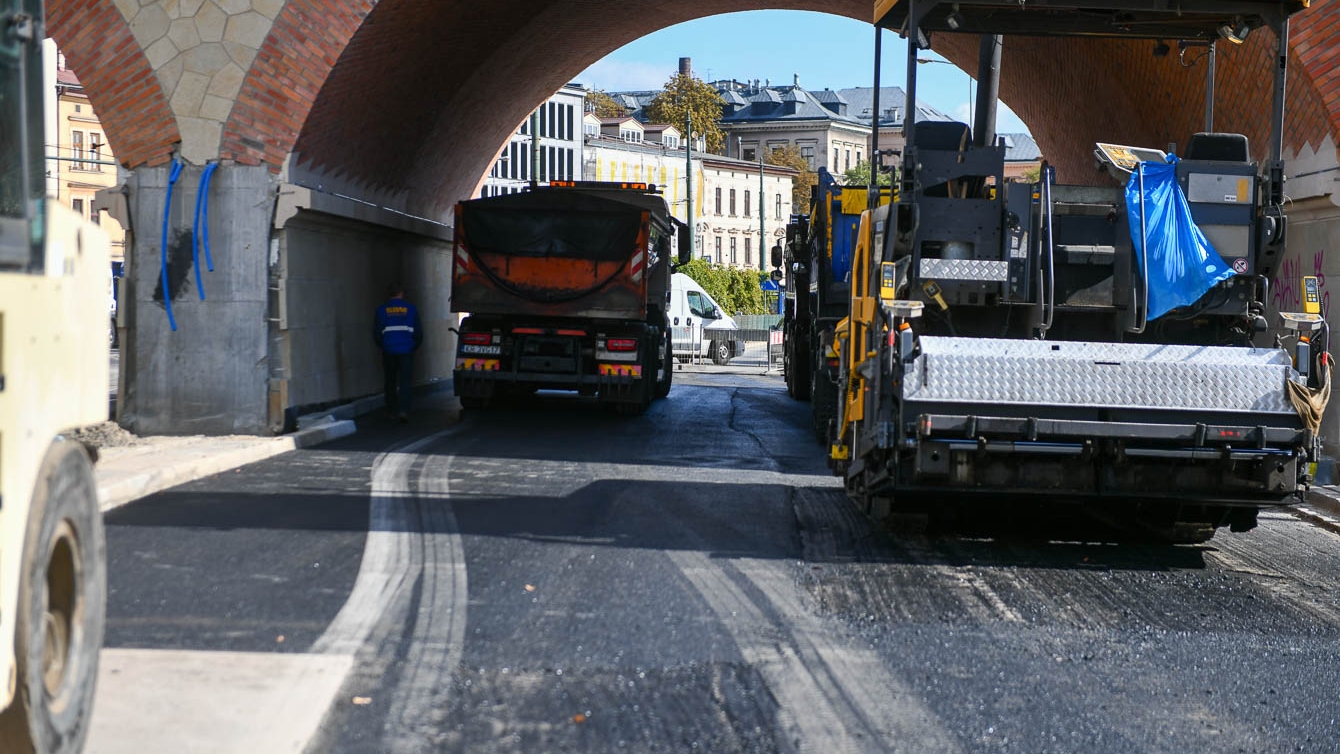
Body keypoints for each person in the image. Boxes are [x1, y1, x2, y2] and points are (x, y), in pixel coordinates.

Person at [374, 283, 422, 421]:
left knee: (390, 381)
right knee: (405, 381)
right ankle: (403, 410)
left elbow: (377, 334)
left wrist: (384, 346)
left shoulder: (381, 310)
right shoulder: (411, 309)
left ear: (390, 294)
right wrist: (413, 347)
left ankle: (390, 410)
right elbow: (418, 333)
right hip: (406, 350)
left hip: (389, 350)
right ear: (401, 293)